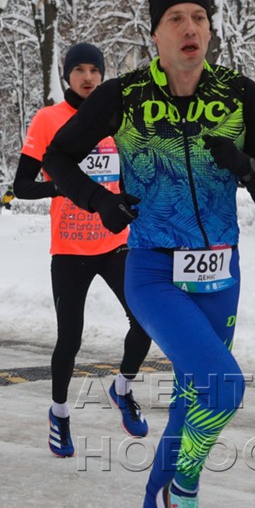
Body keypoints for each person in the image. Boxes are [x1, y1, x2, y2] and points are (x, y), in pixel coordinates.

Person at [44, 0, 255, 508]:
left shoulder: (238, 94)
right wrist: (100, 203)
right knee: (224, 386)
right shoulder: (126, 96)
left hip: (220, 270)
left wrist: (245, 166)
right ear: (155, 33)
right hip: (153, 268)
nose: (190, 28)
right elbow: (57, 157)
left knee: (195, 398)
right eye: (176, 19)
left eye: (199, 17)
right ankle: (183, 490)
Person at [13, 41, 153, 457]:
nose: (88, 77)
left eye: (95, 70)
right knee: (69, 338)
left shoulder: (115, 117)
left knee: (145, 320)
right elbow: (22, 186)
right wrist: (63, 186)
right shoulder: (48, 119)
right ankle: (59, 413)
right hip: (70, 249)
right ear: (67, 75)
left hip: (115, 244)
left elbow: (129, 175)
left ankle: (122, 387)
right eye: (80, 70)